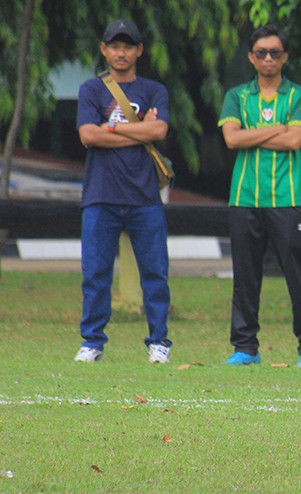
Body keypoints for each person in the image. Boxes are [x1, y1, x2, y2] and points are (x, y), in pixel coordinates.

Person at [217, 25, 301, 368]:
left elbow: (295, 142)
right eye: (261, 52)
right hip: (244, 199)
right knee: (245, 277)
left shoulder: (299, 96)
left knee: (298, 277)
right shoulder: (237, 96)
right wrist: (278, 127)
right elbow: (231, 140)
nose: (268, 58)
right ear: (251, 57)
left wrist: (253, 134)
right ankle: (246, 348)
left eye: (275, 52)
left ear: (285, 57)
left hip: (288, 200)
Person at [74, 19, 171, 363]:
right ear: (104, 49)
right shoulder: (91, 90)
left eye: (128, 46)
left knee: (155, 273)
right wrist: (138, 129)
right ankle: (92, 342)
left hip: (145, 197)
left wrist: (111, 126)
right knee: (95, 273)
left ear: (139, 51)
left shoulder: (154, 90)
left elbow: (159, 130)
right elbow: (88, 135)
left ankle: (158, 342)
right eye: (114, 46)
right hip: (100, 196)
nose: (121, 52)